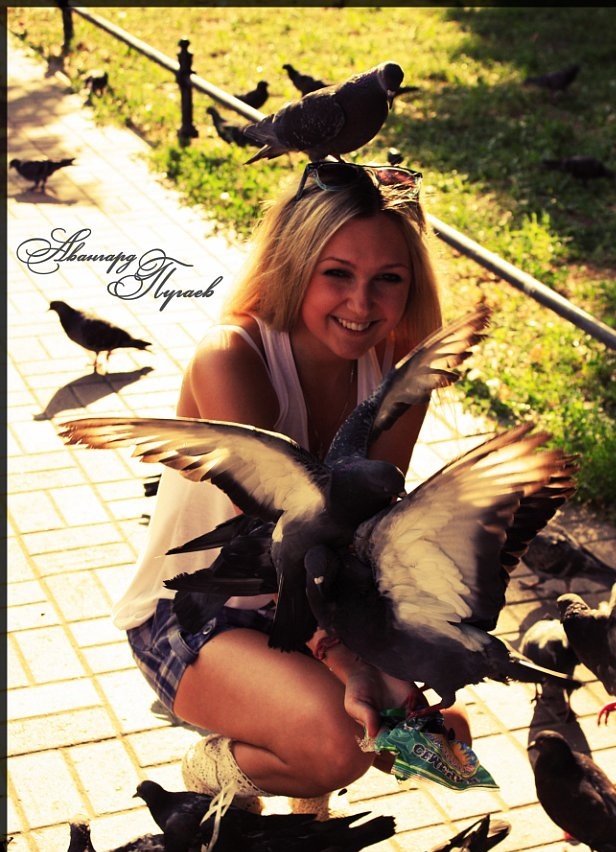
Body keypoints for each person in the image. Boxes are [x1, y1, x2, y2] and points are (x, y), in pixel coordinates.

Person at [113, 160, 472, 816]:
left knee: (435, 737)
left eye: (388, 279)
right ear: (295, 264)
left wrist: (394, 652)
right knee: (339, 741)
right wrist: (349, 663)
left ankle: (306, 801)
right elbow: (277, 544)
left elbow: (365, 534)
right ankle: (213, 770)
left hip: (318, 600)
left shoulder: (400, 376)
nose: (361, 304)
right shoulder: (231, 355)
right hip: (196, 610)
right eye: (337, 273)